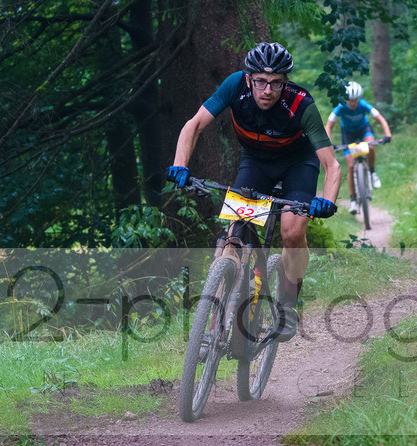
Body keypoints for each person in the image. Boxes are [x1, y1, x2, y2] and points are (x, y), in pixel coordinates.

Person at [167, 42, 341, 342]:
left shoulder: (301, 104)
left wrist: (326, 201)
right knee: (233, 236)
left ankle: (288, 305)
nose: (267, 90)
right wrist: (179, 166)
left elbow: (332, 165)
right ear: (248, 78)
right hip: (256, 162)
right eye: (260, 81)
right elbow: (194, 125)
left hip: (298, 163)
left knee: (292, 232)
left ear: (286, 81)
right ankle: (215, 323)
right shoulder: (234, 86)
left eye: (276, 83)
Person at [324, 81, 393, 214]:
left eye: (355, 100)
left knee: (371, 146)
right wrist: (328, 143)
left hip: (364, 130)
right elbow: (328, 125)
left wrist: (387, 135)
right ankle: (353, 199)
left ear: (358, 99)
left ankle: (372, 172)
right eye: (350, 100)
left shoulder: (363, 105)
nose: (353, 103)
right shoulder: (340, 106)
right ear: (345, 99)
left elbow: (380, 118)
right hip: (348, 134)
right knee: (350, 165)